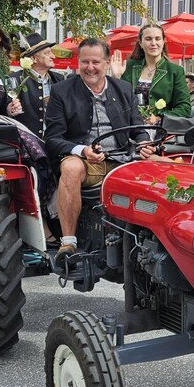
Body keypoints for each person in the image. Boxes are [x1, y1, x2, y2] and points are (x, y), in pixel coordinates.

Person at [45, 38, 158, 266]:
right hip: (87, 162)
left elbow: (138, 128)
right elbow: (52, 139)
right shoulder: (62, 91)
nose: (90, 67)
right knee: (70, 166)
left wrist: (144, 143)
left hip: (124, 158)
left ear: (107, 62)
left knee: (165, 164)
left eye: (95, 62)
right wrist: (82, 150)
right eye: (84, 62)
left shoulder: (123, 89)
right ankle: (68, 242)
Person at [110, 24, 190, 122]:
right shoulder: (128, 66)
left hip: (161, 131)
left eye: (157, 39)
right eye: (148, 39)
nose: (153, 43)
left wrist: (159, 118)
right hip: (129, 127)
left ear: (164, 41)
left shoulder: (175, 71)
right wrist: (116, 78)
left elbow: (184, 108)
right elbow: (116, 101)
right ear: (140, 42)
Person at [11, 33, 64, 138]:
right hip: (27, 143)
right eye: (48, 53)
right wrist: (10, 109)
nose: (53, 56)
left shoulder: (59, 79)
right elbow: (7, 110)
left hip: (56, 142)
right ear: (34, 58)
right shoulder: (16, 79)